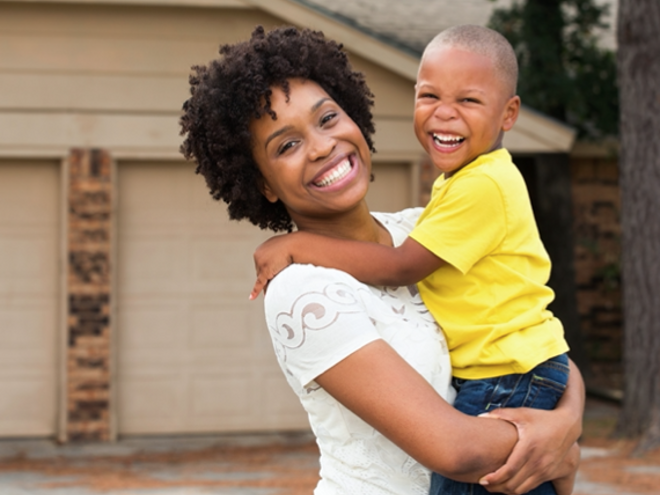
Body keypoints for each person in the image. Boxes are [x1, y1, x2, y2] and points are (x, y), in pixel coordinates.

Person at [180, 26, 583, 495]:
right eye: (286, 146)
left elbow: (534, 332)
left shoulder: (420, 230)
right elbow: (456, 450)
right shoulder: (300, 290)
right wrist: (560, 448)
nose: (323, 146)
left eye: (328, 119)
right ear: (263, 184)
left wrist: (568, 422)